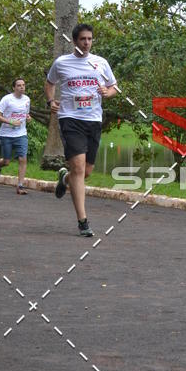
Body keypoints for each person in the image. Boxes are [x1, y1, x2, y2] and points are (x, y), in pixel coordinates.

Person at [44, 23, 118, 236]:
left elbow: (113, 87)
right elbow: (49, 83)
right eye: (83, 39)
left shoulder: (100, 63)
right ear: (75, 41)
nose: (87, 43)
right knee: (78, 167)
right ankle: (83, 222)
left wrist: (108, 92)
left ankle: (64, 179)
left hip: (93, 120)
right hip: (70, 119)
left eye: (90, 39)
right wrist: (51, 101)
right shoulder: (62, 63)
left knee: (85, 172)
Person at [0, 79, 31, 195]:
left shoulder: (27, 99)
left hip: (21, 134)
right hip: (6, 135)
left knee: (22, 159)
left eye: (23, 85)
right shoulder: (7, 99)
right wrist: (10, 122)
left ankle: (20, 186)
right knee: (6, 161)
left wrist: (28, 118)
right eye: (19, 85)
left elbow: (26, 114)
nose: (22, 87)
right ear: (14, 87)